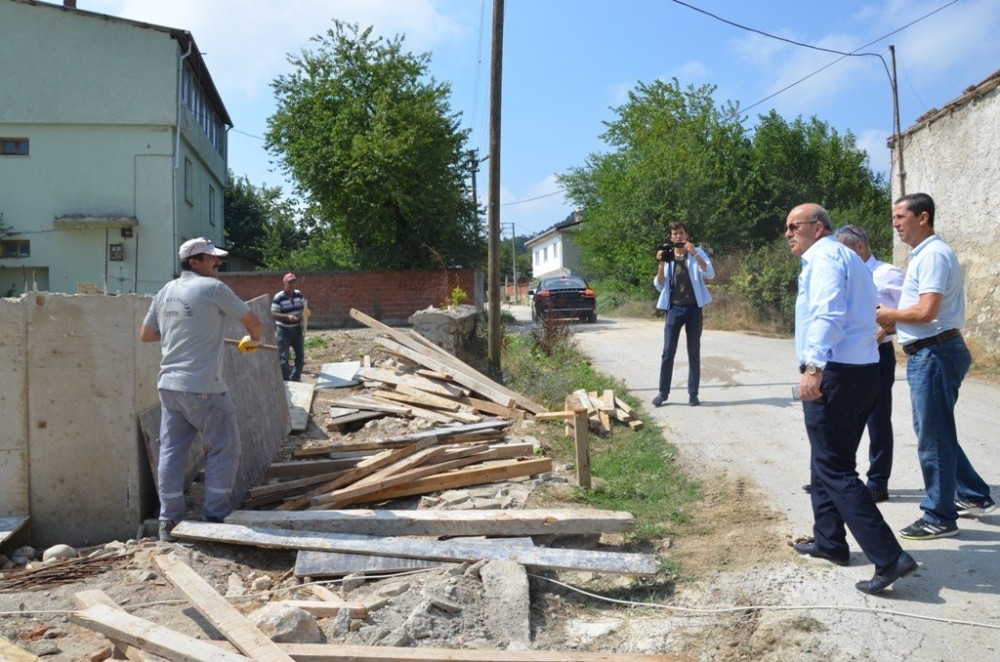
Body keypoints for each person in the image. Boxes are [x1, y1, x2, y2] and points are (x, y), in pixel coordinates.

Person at [786, 203, 916, 595]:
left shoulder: (825, 257)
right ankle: (829, 541)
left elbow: (827, 314)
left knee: (836, 469)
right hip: (861, 371)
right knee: (825, 460)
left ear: (818, 227)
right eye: (786, 228)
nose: (789, 233)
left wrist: (814, 368)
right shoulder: (847, 257)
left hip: (836, 373)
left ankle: (889, 556)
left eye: (795, 226)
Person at [875, 193, 995, 540]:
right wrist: (893, 324)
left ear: (922, 217)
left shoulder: (933, 255)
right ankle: (972, 494)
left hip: (935, 353)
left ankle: (939, 516)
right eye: (894, 217)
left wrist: (889, 315)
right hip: (932, 351)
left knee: (933, 437)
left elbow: (927, 311)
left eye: (900, 216)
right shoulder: (926, 255)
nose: (895, 223)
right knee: (936, 432)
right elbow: (923, 313)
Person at [140, 237, 263, 542]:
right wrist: (255, 341)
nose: (217, 263)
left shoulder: (165, 291)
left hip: (169, 387)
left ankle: (169, 521)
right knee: (225, 447)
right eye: (211, 259)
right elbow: (252, 321)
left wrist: (187, 335)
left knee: (171, 452)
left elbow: (147, 334)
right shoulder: (212, 288)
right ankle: (214, 516)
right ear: (194, 262)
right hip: (203, 387)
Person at [803, 225, 903, 502]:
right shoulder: (844, 268)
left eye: (843, 249)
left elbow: (910, 308)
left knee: (878, 419)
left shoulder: (886, 273)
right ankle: (831, 478)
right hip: (845, 359)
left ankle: (877, 481)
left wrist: (886, 329)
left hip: (877, 354)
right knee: (840, 423)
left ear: (859, 246)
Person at [652, 222, 714, 407]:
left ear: (686, 235)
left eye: (681, 233)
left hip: (694, 309)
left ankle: (693, 394)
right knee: (667, 352)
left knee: (694, 352)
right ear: (671, 237)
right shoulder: (669, 255)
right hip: (674, 309)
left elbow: (710, 274)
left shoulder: (696, 253)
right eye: (675, 234)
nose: (678, 236)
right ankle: (663, 393)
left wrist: (694, 253)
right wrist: (662, 263)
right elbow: (659, 284)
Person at [271, 273, 307, 381]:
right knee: (283, 357)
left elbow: (303, 308)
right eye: (289, 282)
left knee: (300, 355)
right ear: (284, 284)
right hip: (283, 330)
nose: (292, 285)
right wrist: (288, 317)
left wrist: (302, 316)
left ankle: (296, 377)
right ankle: (286, 379)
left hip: (297, 329)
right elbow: (273, 314)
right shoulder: (279, 297)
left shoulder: (298, 294)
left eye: (293, 282)